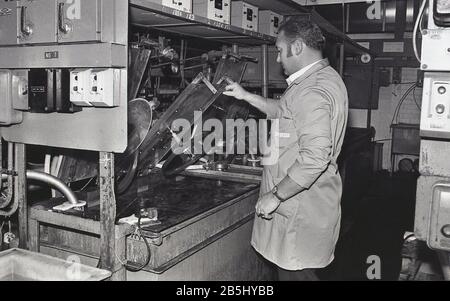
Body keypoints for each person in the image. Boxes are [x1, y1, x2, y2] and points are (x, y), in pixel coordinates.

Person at [223, 17, 348, 281]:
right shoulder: (316, 81)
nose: (278, 59)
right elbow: (283, 112)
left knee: (297, 275)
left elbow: (314, 158)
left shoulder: (312, 90)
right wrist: (246, 96)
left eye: (280, 50)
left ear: (298, 46)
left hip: (298, 210)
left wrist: (276, 196)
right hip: (301, 206)